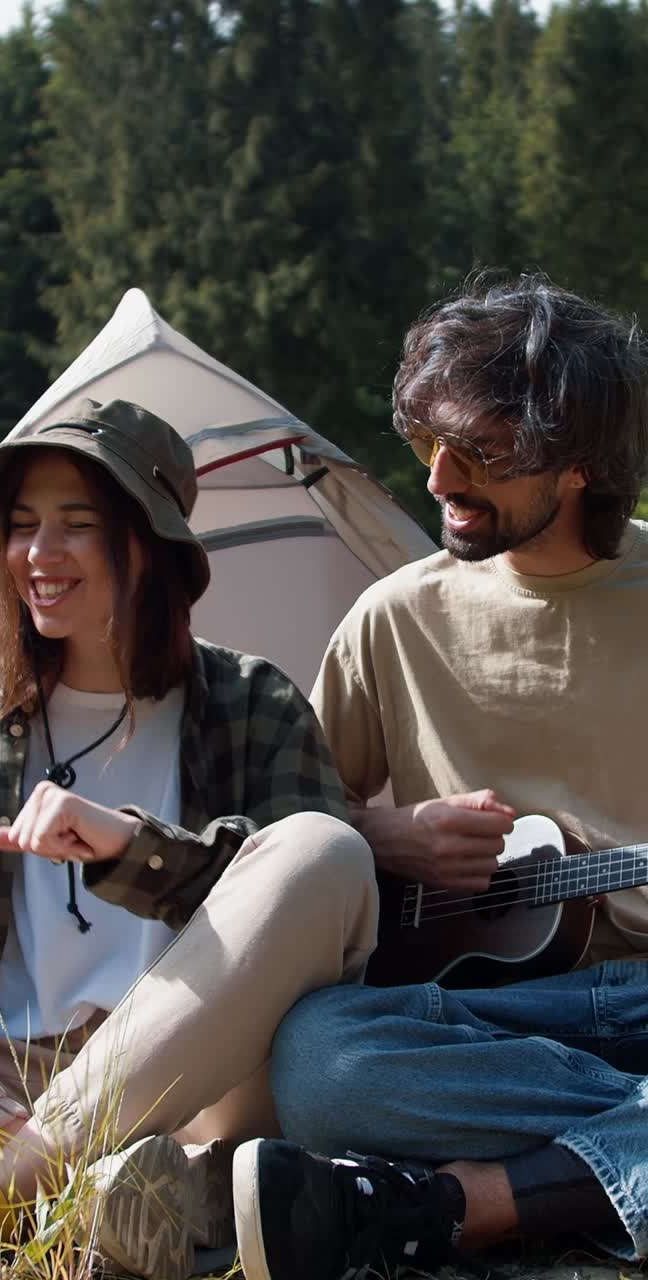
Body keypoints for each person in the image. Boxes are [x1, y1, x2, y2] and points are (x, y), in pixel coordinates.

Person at [229, 275, 648, 1280]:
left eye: (483, 453)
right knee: (321, 1060)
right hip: (476, 1020)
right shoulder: (392, 617)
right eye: (427, 445)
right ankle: (614, 1155)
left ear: (583, 461)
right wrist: (384, 832)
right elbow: (281, 834)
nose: (439, 480)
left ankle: (459, 1203)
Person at [0, 397, 378, 1279]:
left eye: (76, 526)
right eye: (19, 527)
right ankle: (119, 1198)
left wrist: (131, 849)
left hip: (192, 1080)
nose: (38, 556)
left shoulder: (253, 703)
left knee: (326, 852)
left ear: (149, 543)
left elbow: (304, 924)